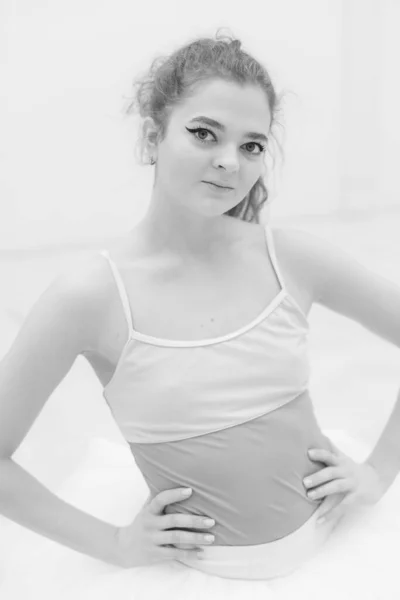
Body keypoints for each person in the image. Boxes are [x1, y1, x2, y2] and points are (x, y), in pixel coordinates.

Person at [1, 28, 400, 600]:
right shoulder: (91, 294)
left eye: (251, 145)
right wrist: (113, 545)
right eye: (204, 133)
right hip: (198, 582)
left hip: (337, 557)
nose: (227, 161)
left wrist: (380, 473)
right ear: (151, 139)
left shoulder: (291, 257)